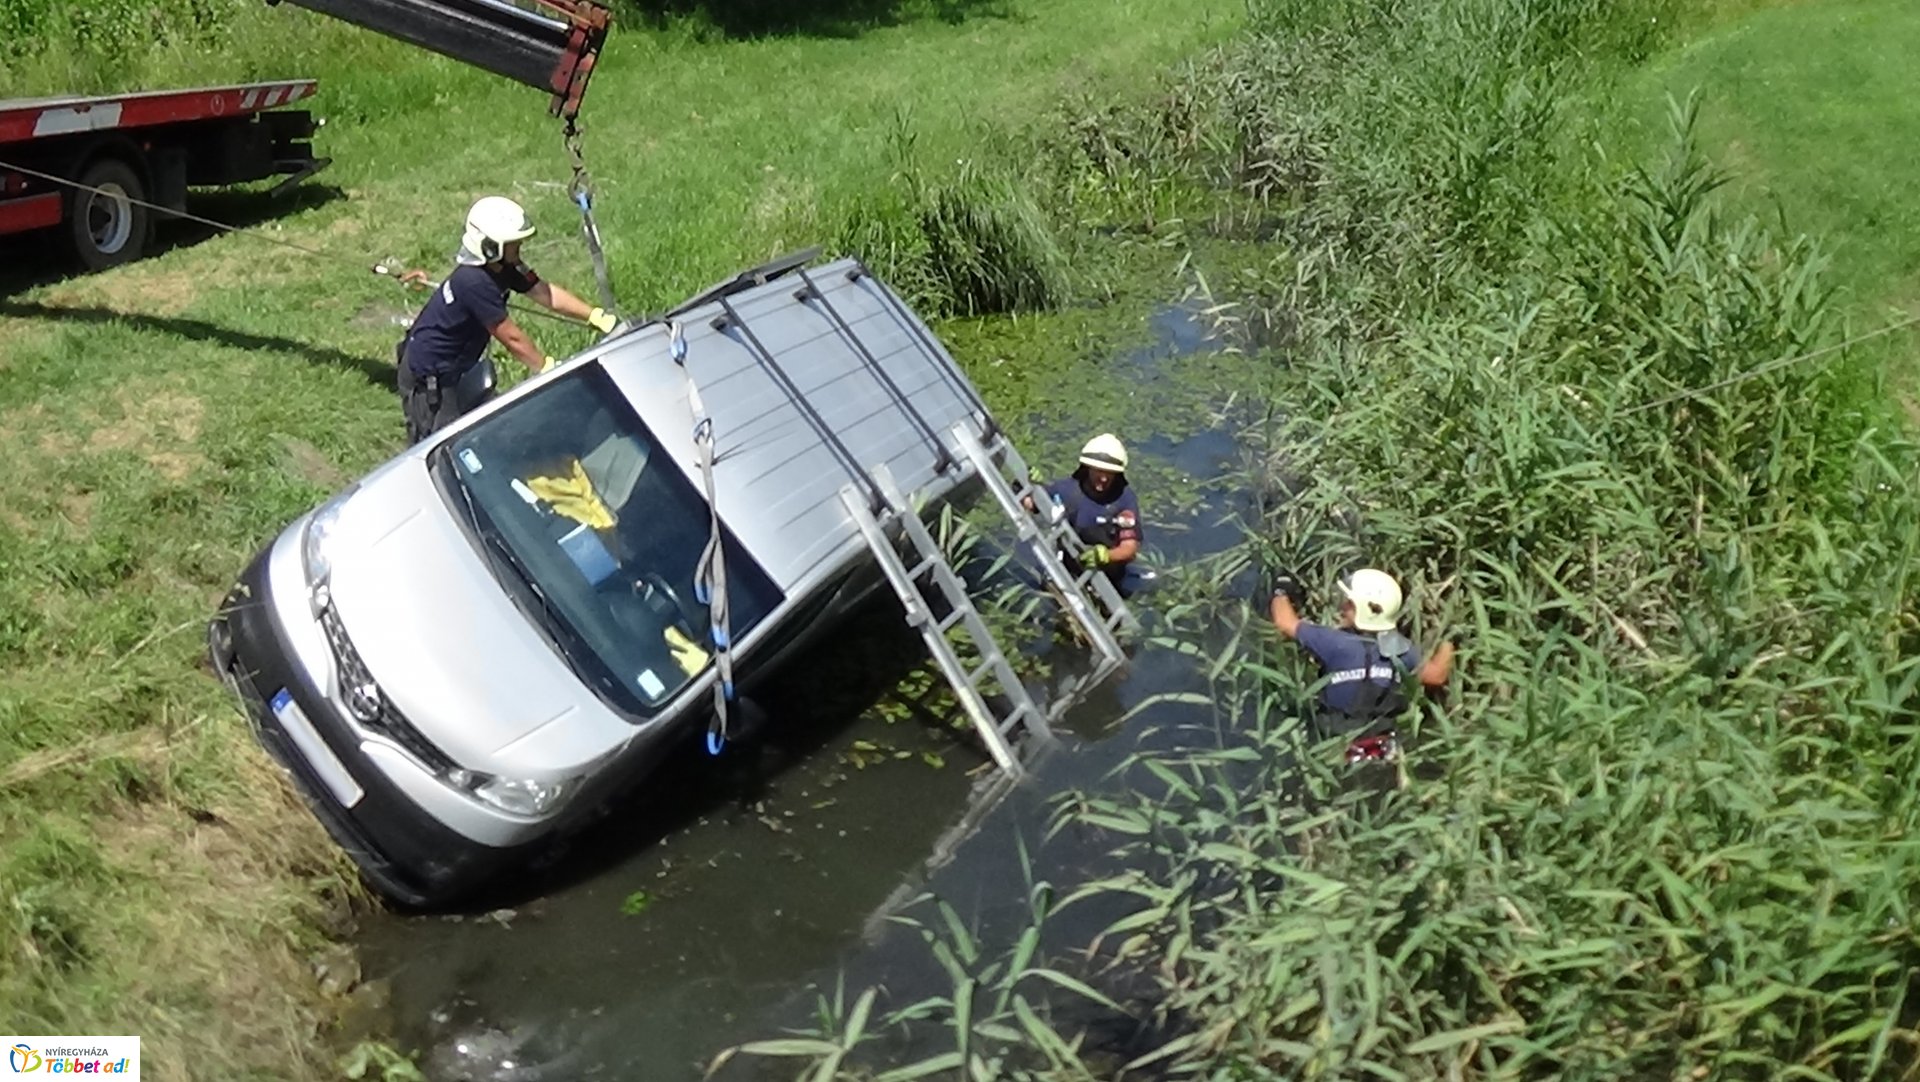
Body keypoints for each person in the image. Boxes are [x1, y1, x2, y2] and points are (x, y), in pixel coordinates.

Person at [395, 196, 618, 444]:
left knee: (472, 428)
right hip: (430, 376)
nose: (520, 246)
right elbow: (511, 337)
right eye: (513, 243)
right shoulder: (474, 281)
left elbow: (545, 293)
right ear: (490, 246)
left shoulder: (504, 266)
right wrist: (545, 367)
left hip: (457, 365)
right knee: (442, 442)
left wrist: (595, 316)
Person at [1268, 566, 1455, 762]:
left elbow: (1284, 622)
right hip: (1383, 748)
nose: (1343, 607)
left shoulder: (1334, 643)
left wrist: (1281, 591)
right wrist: (1449, 638)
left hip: (1336, 745)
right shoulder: (1401, 649)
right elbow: (1436, 675)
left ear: (1364, 610)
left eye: (1349, 604)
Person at [1024, 433, 1146, 597]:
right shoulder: (1067, 490)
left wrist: (1105, 556)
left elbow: (1129, 547)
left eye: (1109, 473)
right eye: (1099, 471)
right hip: (1067, 571)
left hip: (1108, 577)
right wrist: (1029, 486)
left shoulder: (1124, 499)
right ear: (1088, 468)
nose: (1103, 478)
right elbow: (1030, 505)